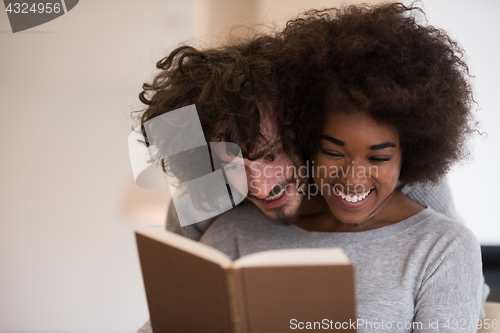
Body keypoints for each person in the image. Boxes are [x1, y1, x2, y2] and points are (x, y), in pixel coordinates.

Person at [135, 5, 487, 331]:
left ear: (302, 131)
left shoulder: (428, 211)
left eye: (271, 154)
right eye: (233, 164)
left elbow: (452, 263)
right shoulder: (216, 213)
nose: (259, 184)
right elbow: (172, 306)